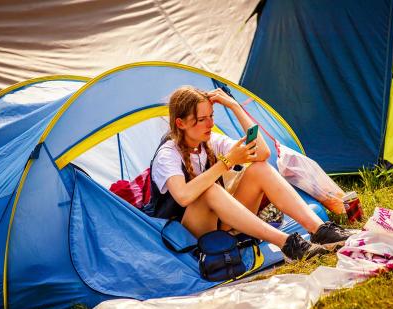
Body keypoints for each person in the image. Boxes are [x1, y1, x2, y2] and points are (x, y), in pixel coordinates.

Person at [147, 86, 351, 261]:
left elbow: (263, 153)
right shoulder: (167, 154)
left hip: (220, 224)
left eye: (211, 116)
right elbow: (183, 197)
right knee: (210, 191)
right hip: (187, 234)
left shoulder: (211, 142)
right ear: (180, 123)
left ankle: (319, 231)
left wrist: (235, 106)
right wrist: (227, 162)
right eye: (201, 119)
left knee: (259, 169)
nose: (209, 123)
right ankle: (287, 244)